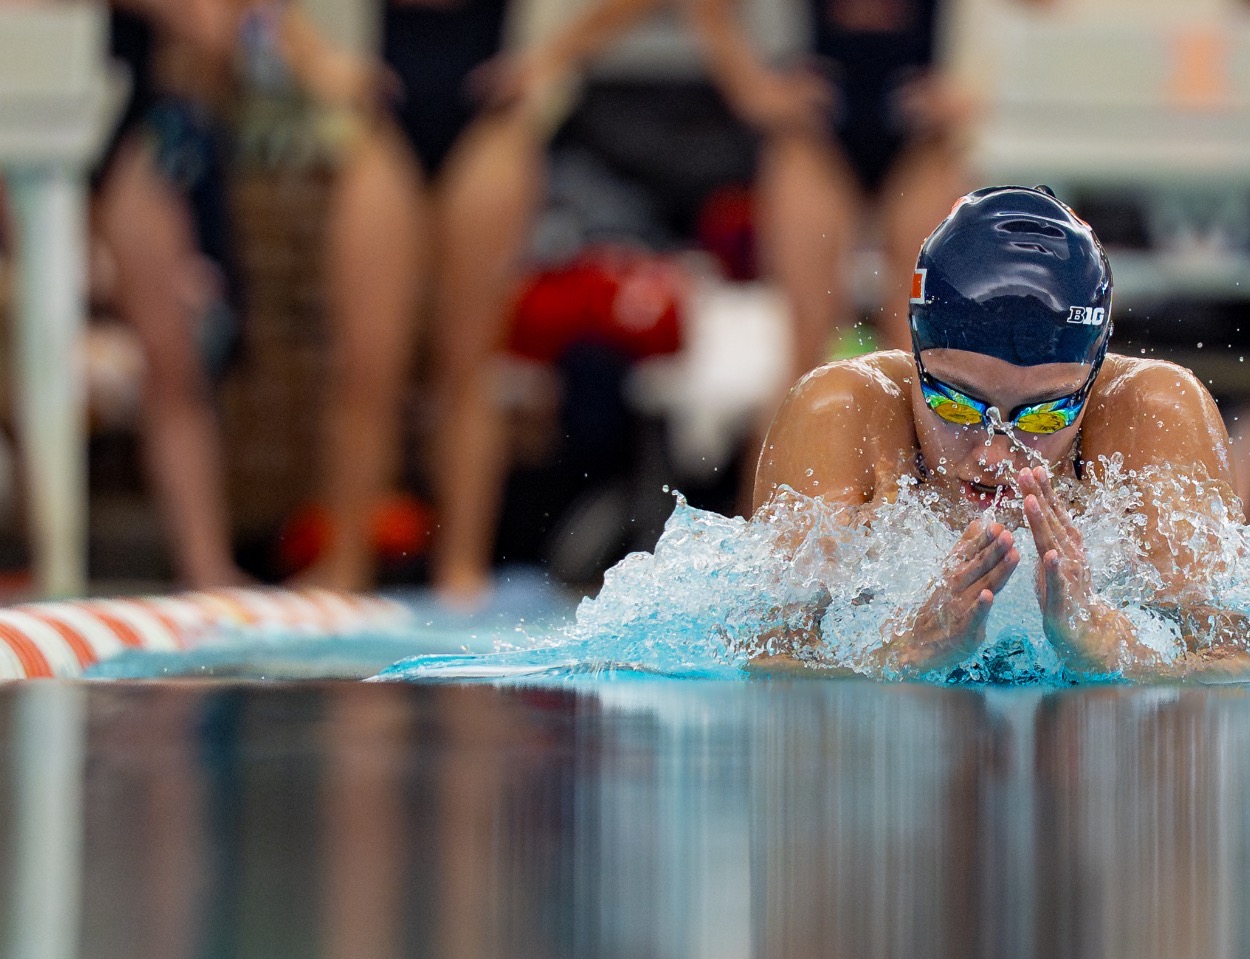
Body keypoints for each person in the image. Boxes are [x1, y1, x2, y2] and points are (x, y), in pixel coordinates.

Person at [750, 186, 1250, 681]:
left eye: (1043, 416)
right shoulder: (841, 414)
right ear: (917, 358)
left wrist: (1105, 643)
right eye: (955, 404)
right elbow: (769, 668)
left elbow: (1227, 664)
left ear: (1093, 380)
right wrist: (909, 652)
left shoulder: (1152, 416)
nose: (993, 455)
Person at [278, 0, 662, 600]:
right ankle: (345, 569)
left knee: (470, 363)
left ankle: (462, 570)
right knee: (365, 365)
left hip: (490, 109)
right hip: (382, 109)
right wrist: (317, 60)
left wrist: (554, 57)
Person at [688, 0, 971, 434]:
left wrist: (976, 89)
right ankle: (766, 502)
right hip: (812, 135)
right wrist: (751, 87)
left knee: (920, 354)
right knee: (803, 355)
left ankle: (914, 500)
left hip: (923, 141)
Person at [93, 0, 250, 589]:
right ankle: (43, 552)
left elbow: (215, 32)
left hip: (122, 126)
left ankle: (207, 567)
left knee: (173, 355)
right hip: (23, 113)